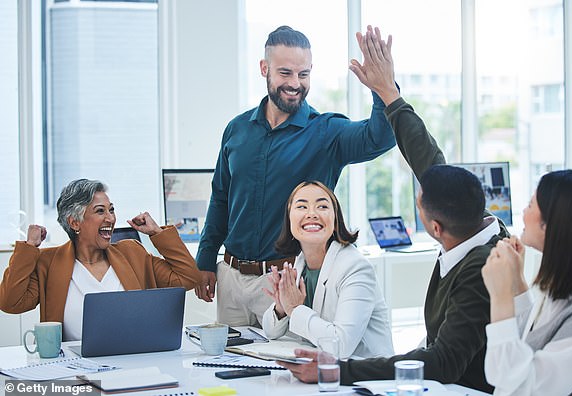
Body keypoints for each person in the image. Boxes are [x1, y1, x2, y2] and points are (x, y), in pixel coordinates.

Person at [276, 28, 505, 393]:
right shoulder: (474, 222)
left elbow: (443, 362)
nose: (310, 213)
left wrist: (340, 370)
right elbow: (429, 160)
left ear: (433, 227)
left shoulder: (481, 267)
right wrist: (388, 92)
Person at [194, 25, 396, 327]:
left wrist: (383, 88)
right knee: (227, 368)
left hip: (285, 281)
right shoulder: (237, 130)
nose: (295, 84)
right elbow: (221, 198)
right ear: (265, 68)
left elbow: (379, 137)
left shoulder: (326, 132)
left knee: (279, 371)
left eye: (303, 75)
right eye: (285, 73)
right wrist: (206, 258)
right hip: (231, 280)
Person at [481, 170, 572, 395]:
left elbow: (517, 385)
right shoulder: (567, 281)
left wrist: (500, 297)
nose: (523, 211)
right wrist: (516, 283)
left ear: (551, 225)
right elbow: (526, 346)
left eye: (531, 205)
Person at [0, 179, 202, 341]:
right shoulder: (48, 262)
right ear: (74, 222)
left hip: (134, 361)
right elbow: (11, 303)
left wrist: (157, 233)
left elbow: (189, 278)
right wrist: (29, 248)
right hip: (74, 369)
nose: (111, 218)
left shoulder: (132, 252)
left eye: (111, 209)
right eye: (100, 211)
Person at [261, 181, 394, 359]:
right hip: (320, 371)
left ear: (335, 219)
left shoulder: (355, 267)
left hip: (363, 376)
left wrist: (293, 308)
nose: (312, 214)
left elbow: (340, 346)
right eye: (302, 206)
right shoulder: (300, 263)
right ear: (289, 220)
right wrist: (281, 307)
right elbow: (271, 332)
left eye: (322, 206)